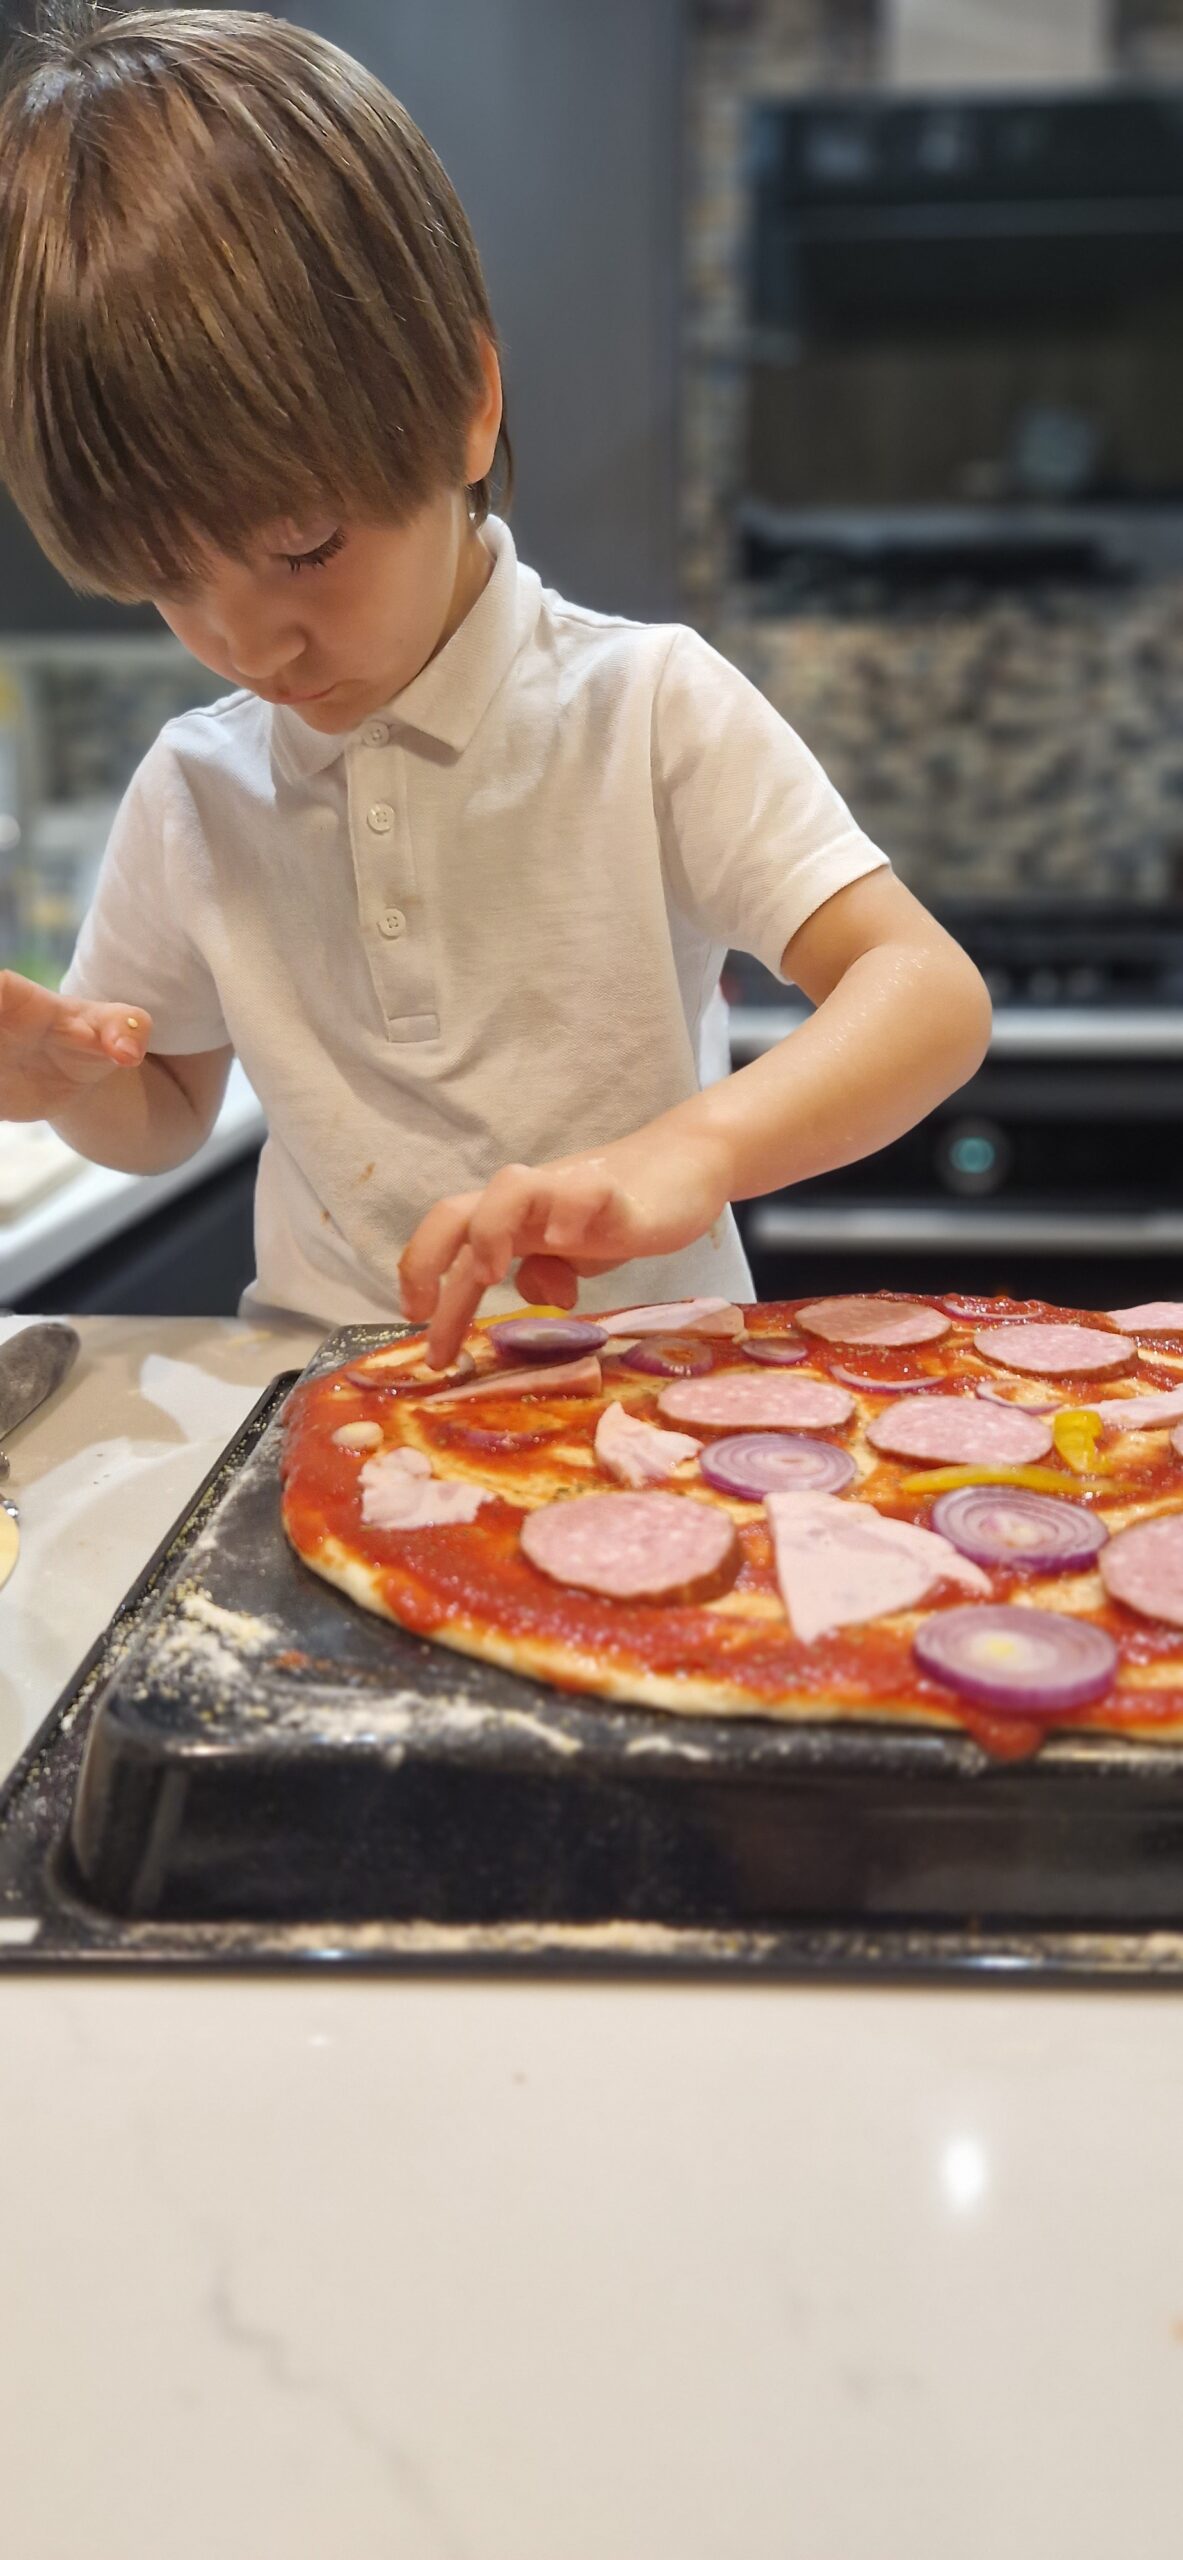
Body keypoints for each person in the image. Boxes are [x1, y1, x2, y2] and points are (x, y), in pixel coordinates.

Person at [0, 5, 991, 1369]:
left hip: (646, 1390)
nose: (251, 648)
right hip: (328, 1392)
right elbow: (163, 1109)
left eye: (305, 550)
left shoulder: (645, 709)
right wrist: (63, 1082)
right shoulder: (197, 788)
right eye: (171, 583)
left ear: (469, 404)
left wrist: (691, 1148)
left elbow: (927, 994)